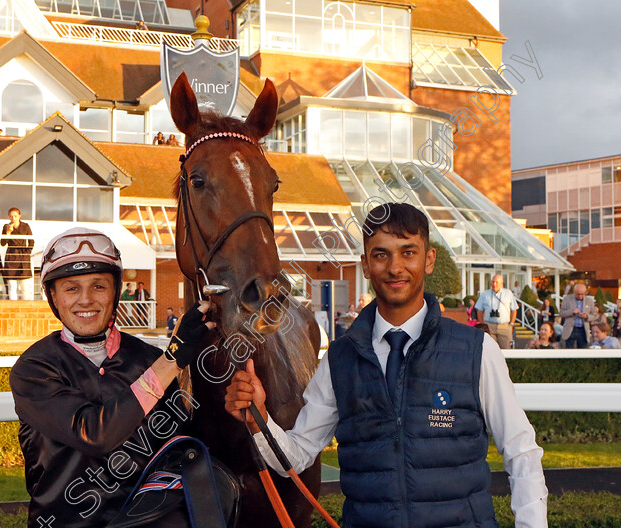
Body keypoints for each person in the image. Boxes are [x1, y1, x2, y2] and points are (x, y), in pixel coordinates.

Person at [224, 202, 547, 528]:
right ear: (365, 265)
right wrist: (259, 420)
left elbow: (521, 452)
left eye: (408, 253)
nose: (395, 267)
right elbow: (296, 456)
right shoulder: (339, 360)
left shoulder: (476, 350)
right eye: (381, 255)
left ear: (429, 260)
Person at [10, 227, 215, 527]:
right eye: (71, 288)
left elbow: (184, 446)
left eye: (98, 286)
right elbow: (94, 433)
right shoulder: (34, 369)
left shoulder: (149, 359)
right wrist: (171, 361)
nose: (86, 300)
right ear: (52, 295)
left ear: (115, 291)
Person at [476, 274, 518, 349]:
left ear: (501, 283)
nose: (494, 284)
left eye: (497, 282)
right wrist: (482, 323)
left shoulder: (508, 293)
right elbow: (479, 310)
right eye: (493, 282)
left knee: (507, 349)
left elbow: (514, 310)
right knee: (490, 350)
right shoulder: (485, 294)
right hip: (489, 326)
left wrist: (511, 324)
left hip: (504, 327)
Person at [1, 207, 34, 300]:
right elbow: (3, 243)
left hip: (23, 257)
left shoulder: (25, 226)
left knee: (25, 287)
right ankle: (13, 307)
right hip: (11, 257)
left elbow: (31, 241)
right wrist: (8, 233)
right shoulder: (6, 227)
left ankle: (26, 308)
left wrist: (27, 252)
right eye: (11, 216)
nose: (13, 218)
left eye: (15, 216)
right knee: (12, 286)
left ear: (19, 216)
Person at [560, 283, 597, 349]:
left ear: (585, 293)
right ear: (574, 292)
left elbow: (594, 315)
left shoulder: (589, 301)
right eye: (578, 294)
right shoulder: (567, 299)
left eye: (582, 294)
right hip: (570, 330)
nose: (580, 296)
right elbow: (561, 313)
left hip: (583, 330)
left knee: (582, 352)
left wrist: (587, 316)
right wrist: (572, 312)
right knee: (569, 351)